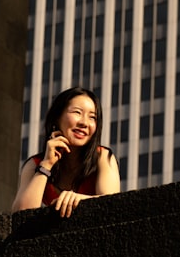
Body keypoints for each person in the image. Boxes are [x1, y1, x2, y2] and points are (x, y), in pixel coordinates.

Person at [11, 86, 120, 216]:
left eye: (92, 117)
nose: (84, 123)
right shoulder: (35, 165)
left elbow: (112, 205)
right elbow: (20, 214)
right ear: (57, 118)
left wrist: (77, 199)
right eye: (77, 112)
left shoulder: (102, 157)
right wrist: (46, 165)